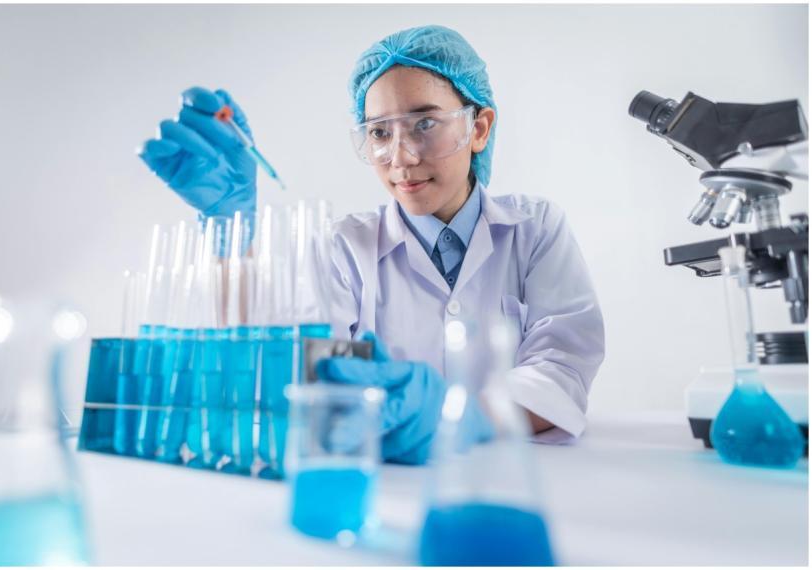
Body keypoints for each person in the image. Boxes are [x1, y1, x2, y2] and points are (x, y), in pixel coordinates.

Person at [139, 25, 605, 465]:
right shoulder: (345, 246)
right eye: (380, 132)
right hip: (383, 481)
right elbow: (293, 366)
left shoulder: (535, 227)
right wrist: (231, 235)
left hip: (509, 477)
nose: (401, 157)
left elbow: (562, 369)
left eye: (425, 124)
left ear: (478, 129)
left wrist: (463, 417)